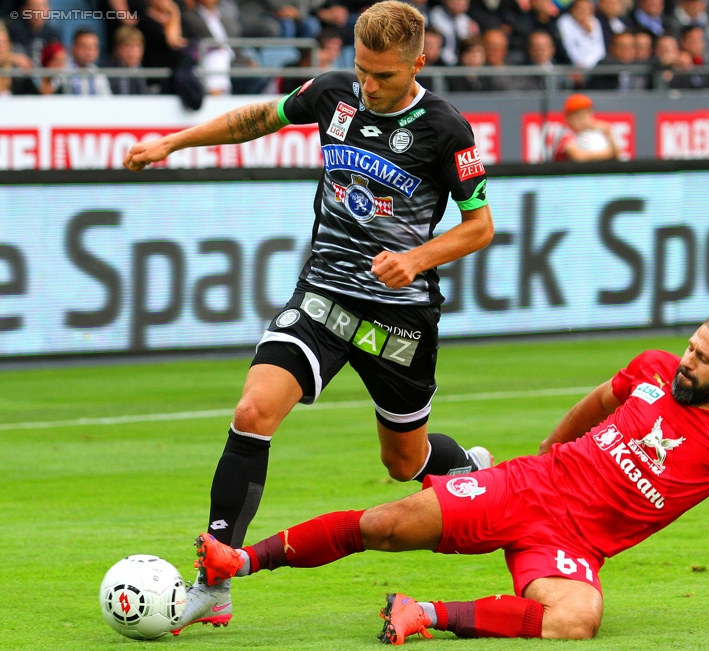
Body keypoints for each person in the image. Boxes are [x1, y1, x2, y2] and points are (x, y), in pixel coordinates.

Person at [189, 315, 709, 643]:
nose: (687, 360)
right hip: (532, 486)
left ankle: (421, 612)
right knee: (387, 524)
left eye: (704, 358)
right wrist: (546, 451)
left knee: (576, 619)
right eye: (691, 348)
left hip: (575, 542)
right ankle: (240, 562)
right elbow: (596, 398)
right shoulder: (651, 372)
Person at [123, 0, 495, 635]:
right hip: (322, 297)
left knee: (404, 464)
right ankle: (215, 581)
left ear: (419, 64)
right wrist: (173, 142)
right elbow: (257, 119)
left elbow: (480, 226)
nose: (369, 85)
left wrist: (417, 258)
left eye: (383, 75)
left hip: (399, 320)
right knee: (252, 412)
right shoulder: (333, 93)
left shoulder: (446, 130)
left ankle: (461, 469)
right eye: (362, 69)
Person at [550, 92, 619, 161]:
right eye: (579, 115)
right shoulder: (565, 133)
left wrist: (608, 131)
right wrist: (608, 153)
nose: (584, 120)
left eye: (587, 114)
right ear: (568, 118)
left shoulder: (594, 132)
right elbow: (579, 157)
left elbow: (617, 155)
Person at [66, 28, 112, 95]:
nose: (89, 51)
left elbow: (108, 101)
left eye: (94, 47)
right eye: (84, 46)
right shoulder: (63, 70)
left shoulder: (99, 75)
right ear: (74, 48)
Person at [108, 25, 151, 95]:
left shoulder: (144, 71)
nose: (133, 52)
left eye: (137, 46)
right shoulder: (108, 71)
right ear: (117, 49)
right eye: (128, 46)